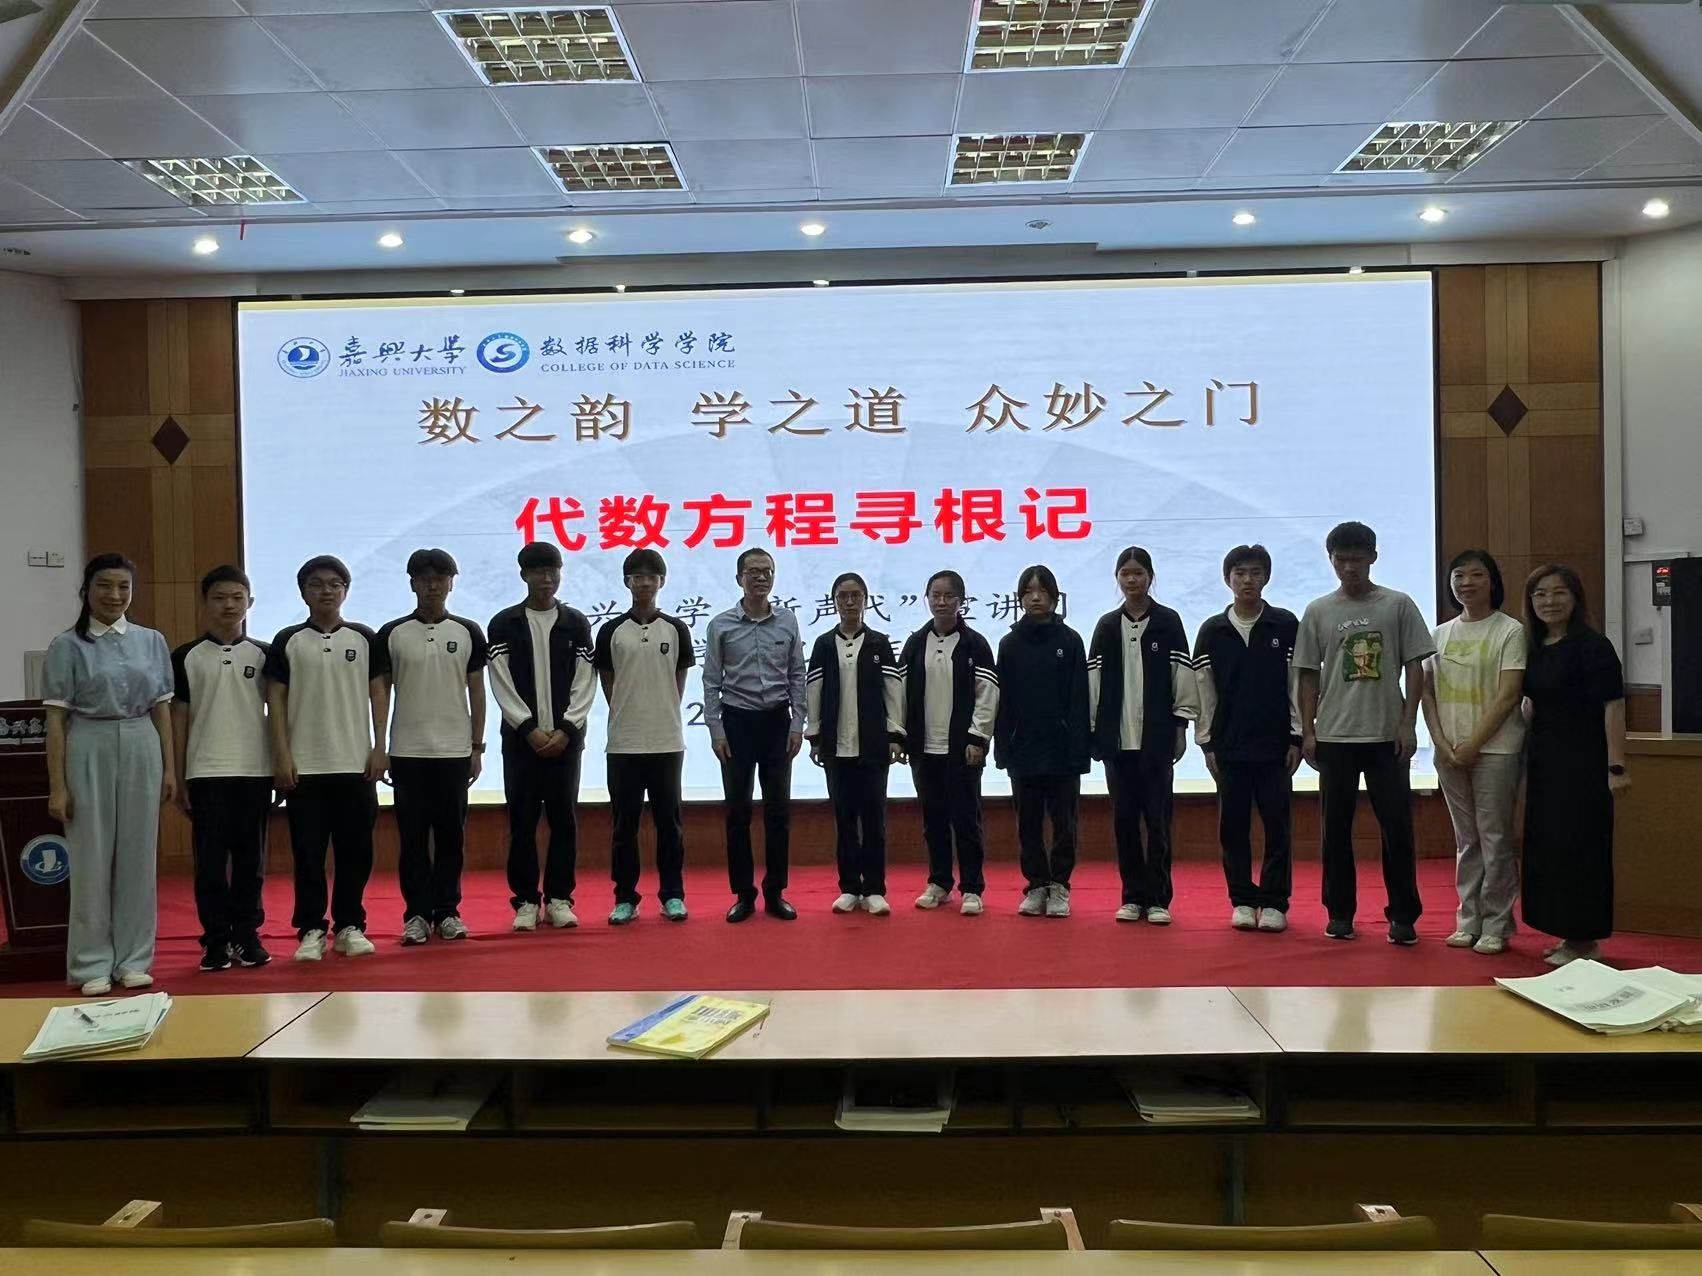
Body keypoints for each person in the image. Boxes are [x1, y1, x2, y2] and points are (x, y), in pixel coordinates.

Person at [1294, 522, 1435, 945]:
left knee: (1397, 828)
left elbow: (1416, 666)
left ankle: (1403, 916)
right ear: (1331, 560)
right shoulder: (1318, 610)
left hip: (1386, 736)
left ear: (1373, 557)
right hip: (1334, 736)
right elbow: (1307, 674)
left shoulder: (1398, 604)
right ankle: (1339, 913)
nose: (1349, 567)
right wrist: (1307, 730)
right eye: (1341, 560)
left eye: (1357, 559)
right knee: (1334, 829)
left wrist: (1408, 722)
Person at [43, 554, 176, 995]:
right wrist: (58, 786)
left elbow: (161, 709)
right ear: (86, 591)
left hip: (141, 741)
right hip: (88, 739)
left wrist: (169, 768)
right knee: (91, 858)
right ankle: (91, 964)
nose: (114, 595)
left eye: (123, 586)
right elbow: (56, 721)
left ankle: (134, 959)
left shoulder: (151, 641)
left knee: (139, 856)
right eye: (104, 585)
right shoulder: (67, 645)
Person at [266, 555, 383, 962]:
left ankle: (350, 925)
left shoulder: (364, 637)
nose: (326, 591)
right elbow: (276, 701)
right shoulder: (288, 640)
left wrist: (379, 746)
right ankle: (311, 928)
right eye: (316, 584)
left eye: (335, 584)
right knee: (308, 853)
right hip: (306, 768)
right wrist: (281, 755)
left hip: (355, 764)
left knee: (356, 851)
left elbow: (379, 694)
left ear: (346, 590)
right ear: (303, 592)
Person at [373, 549, 488, 946]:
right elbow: (382, 693)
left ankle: (448, 911)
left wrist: (476, 746)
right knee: (412, 839)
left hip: (454, 752)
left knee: (452, 837)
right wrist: (381, 746)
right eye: (424, 579)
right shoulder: (392, 633)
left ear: (451, 583)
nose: (433, 586)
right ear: (412, 584)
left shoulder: (468, 631)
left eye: (440, 578)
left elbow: (477, 691)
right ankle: (417, 915)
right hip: (407, 751)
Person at [1521, 564, 1627, 967]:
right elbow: (1532, 702)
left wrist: (1616, 766)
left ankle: (1585, 941)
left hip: (1585, 762)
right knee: (1550, 848)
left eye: (1559, 592)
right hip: (1545, 761)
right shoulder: (1536, 646)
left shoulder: (1593, 646)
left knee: (1581, 848)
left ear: (1576, 597)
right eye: (1540, 594)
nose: (1549, 601)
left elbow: (1613, 706)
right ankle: (1568, 934)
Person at [1193, 545, 1302, 933]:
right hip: (1230, 747)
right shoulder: (1212, 630)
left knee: (1278, 827)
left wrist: (1297, 736)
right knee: (1233, 828)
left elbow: (1296, 684)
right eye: (1239, 573)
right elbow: (1203, 691)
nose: (1247, 580)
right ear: (1228, 579)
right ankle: (1241, 899)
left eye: (1255, 573)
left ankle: (1274, 902)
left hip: (1275, 746)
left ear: (1266, 577)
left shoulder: (1284, 624)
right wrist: (1207, 743)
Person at [487, 541, 596, 932]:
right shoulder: (505, 623)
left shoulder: (575, 623)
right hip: (522, 744)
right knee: (522, 822)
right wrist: (528, 728)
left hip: (566, 744)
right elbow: (500, 680)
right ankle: (526, 901)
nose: (546, 578)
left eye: (552, 571)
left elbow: (585, 680)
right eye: (537, 571)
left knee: (564, 820)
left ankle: (560, 898)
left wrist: (567, 728)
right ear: (524, 575)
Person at [1422, 550, 1526, 956]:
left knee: (1495, 836)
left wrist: (1473, 744)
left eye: (1476, 575)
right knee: (1466, 839)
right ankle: (1469, 920)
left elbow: (1508, 695)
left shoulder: (1510, 631)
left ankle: (1497, 923)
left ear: (1492, 581)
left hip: (1496, 750)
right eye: (1459, 576)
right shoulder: (1439, 634)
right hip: (1448, 751)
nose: (1466, 583)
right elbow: (1427, 694)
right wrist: (1442, 743)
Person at [1088, 546, 1199, 926]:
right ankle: (1132, 896)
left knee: (1157, 821)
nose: (1132, 580)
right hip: (1117, 743)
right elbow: (1094, 682)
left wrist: (1181, 726)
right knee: (1124, 821)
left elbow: (1182, 677)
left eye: (1138, 573)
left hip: (1156, 739)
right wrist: (1095, 731)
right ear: (1117, 578)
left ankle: (1158, 898)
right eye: (1125, 573)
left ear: (1150, 577)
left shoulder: (1168, 621)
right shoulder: (1106, 626)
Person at [171, 565, 274, 972]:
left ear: (250, 603)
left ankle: (247, 937)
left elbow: (278, 714)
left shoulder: (265, 654)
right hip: (205, 773)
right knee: (210, 865)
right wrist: (178, 775)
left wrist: (279, 764)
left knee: (251, 863)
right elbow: (179, 719)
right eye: (219, 598)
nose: (229, 605)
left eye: (237, 598)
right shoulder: (186, 656)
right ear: (204, 603)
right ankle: (215, 941)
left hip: (254, 772)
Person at [703, 547, 806, 923]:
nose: (761, 577)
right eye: (753, 572)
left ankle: (776, 892)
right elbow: (711, 680)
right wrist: (716, 730)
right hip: (737, 724)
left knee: (778, 812)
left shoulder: (787, 620)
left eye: (767, 571)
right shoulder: (721, 625)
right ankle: (744, 895)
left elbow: (797, 673)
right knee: (738, 812)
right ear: (739, 579)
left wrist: (797, 724)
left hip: (777, 722)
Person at [593, 548, 695, 925]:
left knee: (670, 824)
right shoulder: (611, 631)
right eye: (638, 577)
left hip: (666, 741)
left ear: (661, 582)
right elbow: (608, 682)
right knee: (624, 826)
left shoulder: (676, 629)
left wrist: (660, 711)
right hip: (624, 743)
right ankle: (625, 898)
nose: (645, 583)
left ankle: (673, 895)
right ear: (627, 582)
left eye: (651, 577)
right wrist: (629, 711)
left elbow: (678, 681)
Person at [806, 572, 906, 916]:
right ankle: (849, 888)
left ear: (866, 600)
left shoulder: (879, 643)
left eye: (856, 596)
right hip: (836, 748)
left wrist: (895, 734)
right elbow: (814, 691)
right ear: (834, 601)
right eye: (843, 596)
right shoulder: (823, 644)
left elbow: (893, 691)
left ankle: (875, 889)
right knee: (845, 820)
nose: (849, 602)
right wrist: (815, 736)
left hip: (874, 747)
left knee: (874, 821)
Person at [994, 565, 1091, 918]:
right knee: (1028, 823)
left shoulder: (1070, 641)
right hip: (1023, 749)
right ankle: (1036, 884)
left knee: (1065, 823)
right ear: (1020, 598)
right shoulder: (1009, 644)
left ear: (1054, 596)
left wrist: (1080, 749)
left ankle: (1060, 885)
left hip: (1063, 750)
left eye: (1043, 591)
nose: (1036, 598)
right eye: (1028, 592)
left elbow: (1079, 699)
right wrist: (1003, 747)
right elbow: (1002, 702)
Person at [900, 570, 998, 917]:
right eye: (935, 596)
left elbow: (987, 695)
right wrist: (900, 736)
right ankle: (939, 882)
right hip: (924, 749)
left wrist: (977, 737)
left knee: (966, 820)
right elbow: (899, 693)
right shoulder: (915, 643)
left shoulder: (975, 645)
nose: (941, 602)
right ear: (927, 599)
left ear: (961, 601)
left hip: (962, 750)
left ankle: (972, 887)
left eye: (949, 596)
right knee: (934, 820)